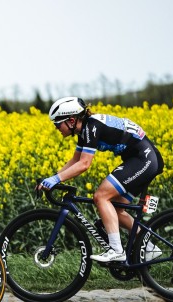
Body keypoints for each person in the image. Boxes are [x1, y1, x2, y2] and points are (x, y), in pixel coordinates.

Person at [36, 97, 164, 262]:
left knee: (101, 196)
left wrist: (56, 179)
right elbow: (75, 160)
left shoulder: (92, 127)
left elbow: (84, 164)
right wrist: (52, 178)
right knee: (117, 210)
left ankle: (117, 250)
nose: (56, 128)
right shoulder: (85, 129)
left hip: (144, 159)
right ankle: (149, 248)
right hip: (143, 159)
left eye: (57, 124)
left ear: (72, 120)